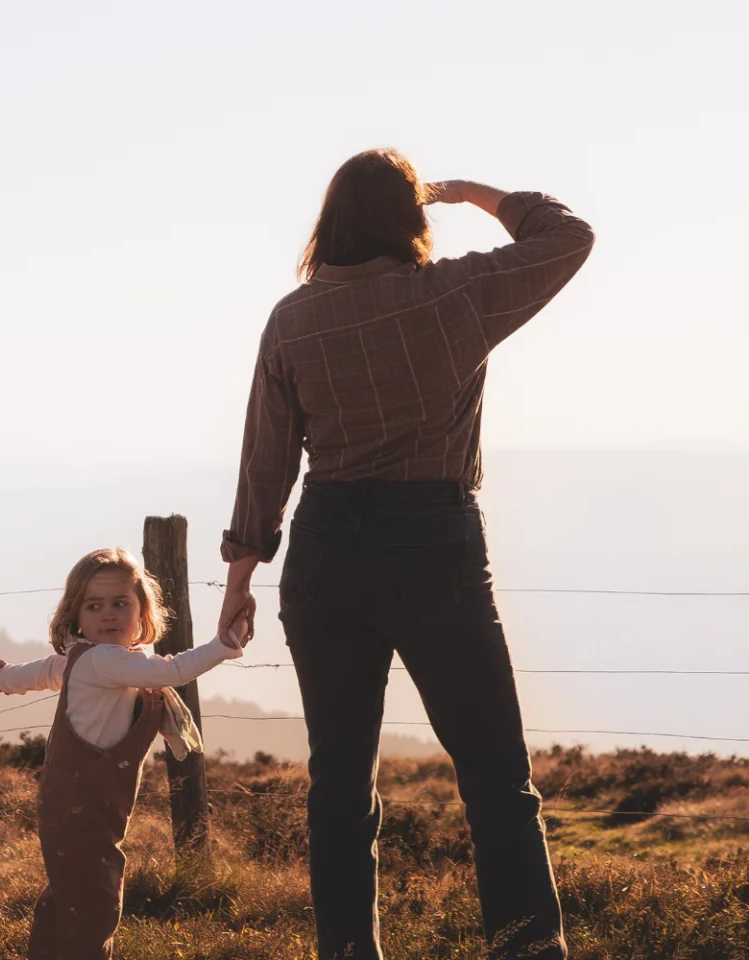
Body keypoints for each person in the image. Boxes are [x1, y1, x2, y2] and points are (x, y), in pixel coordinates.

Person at [216, 148, 595, 960]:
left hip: (326, 554)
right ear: (411, 217)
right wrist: (471, 193)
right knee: (495, 773)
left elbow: (266, 461)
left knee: (341, 783)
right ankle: (526, 949)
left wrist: (239, 579)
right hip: (434, 546)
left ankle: (349, 953)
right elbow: (567, 235)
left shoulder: (293, 319)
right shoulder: (454, 294)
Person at [0, 548, 242, 959]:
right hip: (82, 804)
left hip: (73, 802)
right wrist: (223, 645)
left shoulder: (81, 659)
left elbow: (31, 674)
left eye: (121, 603)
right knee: (96, 903)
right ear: (76, 615)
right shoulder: (103, 661)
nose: (108, 615)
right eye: (94, 605)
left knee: (70, 894)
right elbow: (171, 670)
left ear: (142, 612)